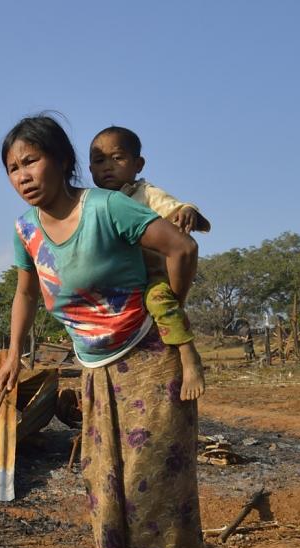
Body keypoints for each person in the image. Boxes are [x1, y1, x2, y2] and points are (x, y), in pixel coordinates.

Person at [0, 115, 211, 548]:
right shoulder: (27, 228)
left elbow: (182, 248)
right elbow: (26, 293)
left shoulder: (108, 207)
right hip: (96, 369)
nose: (22, 175)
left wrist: (169, 312)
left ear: (64, 161)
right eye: (12, 168)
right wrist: (12, 354)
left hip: (148, 359)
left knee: (147, 484)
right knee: (104, 485)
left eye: (32, 160)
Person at [89, 126, 210, 400]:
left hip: (151, 275)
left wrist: (187, 210)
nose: (108, 167)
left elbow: (174, 207)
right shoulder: (93, 202)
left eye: (117, 158)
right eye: (99, 161)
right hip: (118, 281)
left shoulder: (144, 193)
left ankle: (188, 354)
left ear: (137, 164)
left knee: (159, 301)